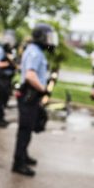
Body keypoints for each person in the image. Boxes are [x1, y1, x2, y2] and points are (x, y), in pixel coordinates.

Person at [12, 23, 58, 177]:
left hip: (30, 96)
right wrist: (43, 89)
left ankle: (23, 155)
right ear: (40, 37)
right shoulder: (35, 52)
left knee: (28, 128)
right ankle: (18, 163)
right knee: (25, 130)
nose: (50, 41)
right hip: (29, 95)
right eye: (48, 37)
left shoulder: (35, 50)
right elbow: (30, 76)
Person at [0, 30, 18, 128]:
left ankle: (1, 118)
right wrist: (7, 64)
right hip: (0, 79)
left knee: (4, 99)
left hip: (7, 79)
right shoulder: (0, 50)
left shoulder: (10, 50)